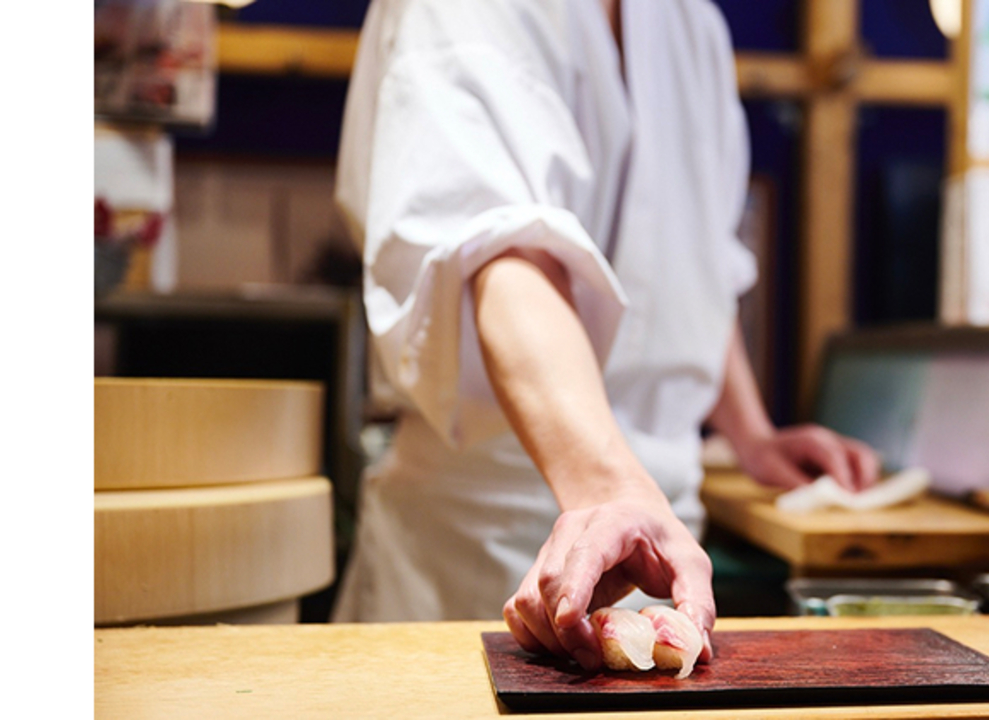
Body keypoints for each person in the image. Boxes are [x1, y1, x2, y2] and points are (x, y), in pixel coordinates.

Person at [332, 0, 880, 672]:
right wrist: (607, 491)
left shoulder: (692, 22)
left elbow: (693, 261)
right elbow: (504, 255)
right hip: (481, 532)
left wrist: (751, 433)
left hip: (664, 536)